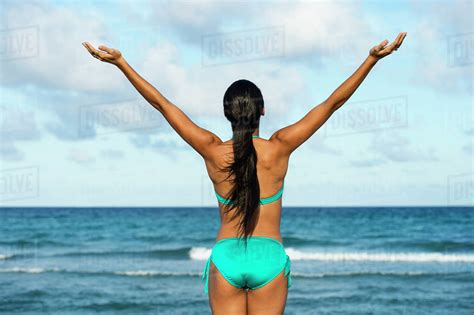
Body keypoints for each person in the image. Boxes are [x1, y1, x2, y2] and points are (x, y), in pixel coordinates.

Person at [82, 31, 407, 314]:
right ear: (262, 110)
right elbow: (332, 103)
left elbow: (163, 106)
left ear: (226, 113)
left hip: (227, 258)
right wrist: (371, 60)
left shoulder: (211, 149)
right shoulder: (280, 146)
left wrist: (121, 63)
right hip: (268, 257)